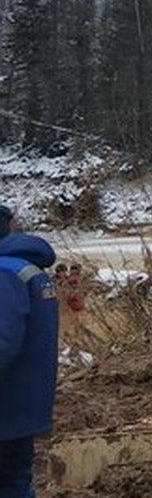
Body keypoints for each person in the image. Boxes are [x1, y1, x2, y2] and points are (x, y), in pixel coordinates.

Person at [0, 204, 59, 497]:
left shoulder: (3, 273)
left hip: (6, 404)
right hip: (25, 406)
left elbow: (3, 341)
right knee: (14, 482)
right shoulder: (29, 269)